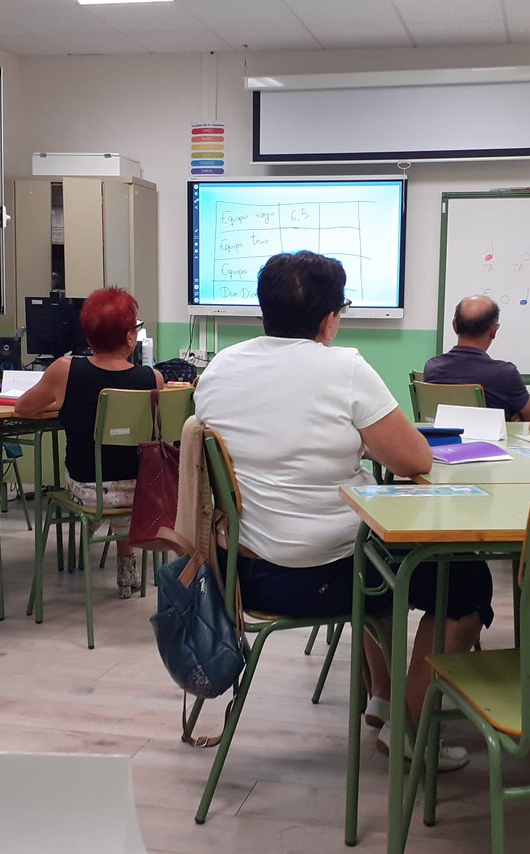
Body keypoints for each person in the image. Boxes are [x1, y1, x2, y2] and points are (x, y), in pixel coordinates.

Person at [194, 250, 493, 772]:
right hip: (322, 575)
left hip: (242, 571)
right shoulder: (343, 367)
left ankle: (381, 698)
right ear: (331, 318)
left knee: (377, 560)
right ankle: (410, 728)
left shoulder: (220, 367)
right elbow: (413, 458)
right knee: (464, 582)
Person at [15, 286, 163, 599]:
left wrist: (61, 403)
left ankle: (93, 536)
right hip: (141, 494)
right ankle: (127, 569)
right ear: (129, 338)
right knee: (125, 463)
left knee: (99, 471)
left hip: (89, 491)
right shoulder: (153, 380)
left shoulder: (64, 371)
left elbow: (23, 408)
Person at [423, 294, 530, 421]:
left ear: (455, 325)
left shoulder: (432, 367)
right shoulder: (506, 374)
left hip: (447, 441)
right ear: (494, 330)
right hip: (490, 441)